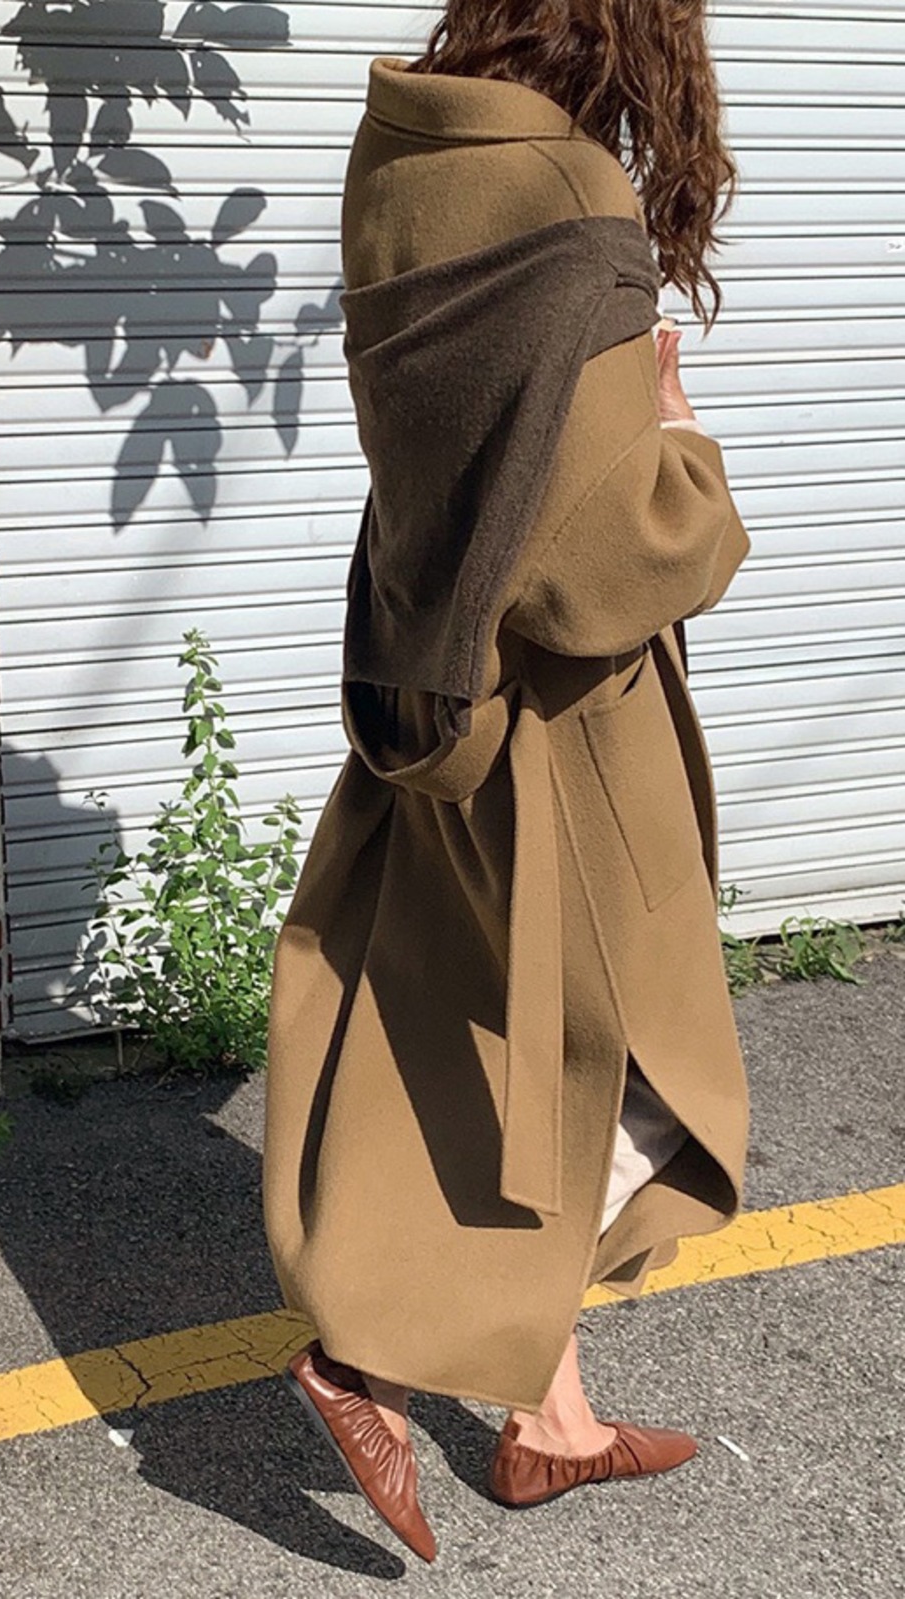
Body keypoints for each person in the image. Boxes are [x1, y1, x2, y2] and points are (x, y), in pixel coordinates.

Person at [261, 0, 751, 1564]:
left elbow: (476, 454)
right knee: (636, 1071)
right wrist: (690, 454)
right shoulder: (565, 190)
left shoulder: (400, 158)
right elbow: (603, 550)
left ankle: (554, 1428)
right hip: (565, 721)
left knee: (498, 1042)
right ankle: (375, 1353)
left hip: (434, 668)